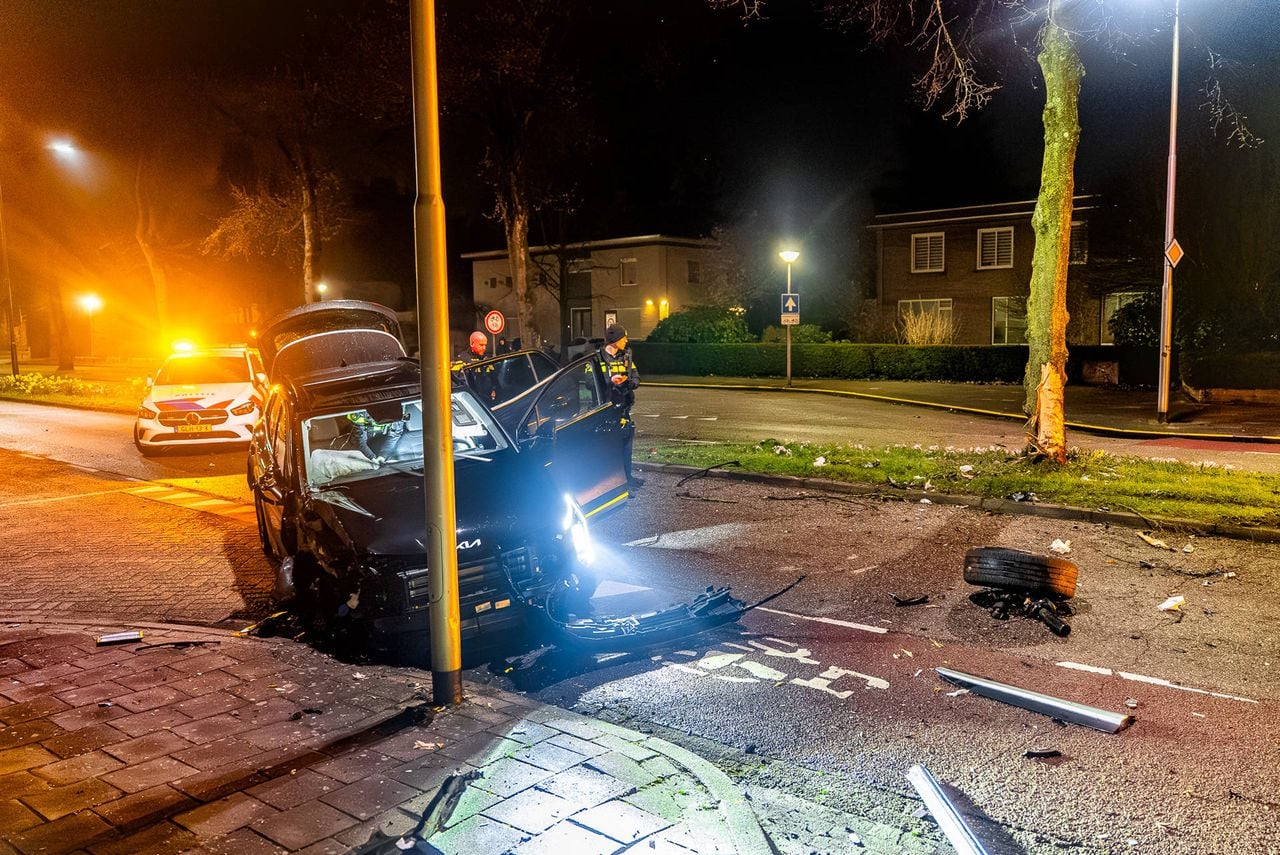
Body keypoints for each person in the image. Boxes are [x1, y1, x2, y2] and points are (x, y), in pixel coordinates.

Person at [599, 323, 643, 486]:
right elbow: (590, 382)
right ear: (615, 339)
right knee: (610, 448)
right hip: (606, 410)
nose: (626, 341)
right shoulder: (599, 358)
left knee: (626, 445)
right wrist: (609, 381)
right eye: (623, 338)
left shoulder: (626, 357)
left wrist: (628, 381)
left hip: (623, 408)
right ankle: (613, 484)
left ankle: (628, 479)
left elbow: (636, 378)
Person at [452, 331, 495, 401]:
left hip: (488, 398)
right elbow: (458, 382)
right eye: (481, 345)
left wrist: (494, 388)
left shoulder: (487, 358)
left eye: (485, 345)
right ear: (472, 344)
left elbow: (494, 377)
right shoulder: (462, 359)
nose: (484, 348)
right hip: (471, 399)